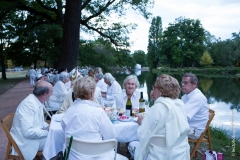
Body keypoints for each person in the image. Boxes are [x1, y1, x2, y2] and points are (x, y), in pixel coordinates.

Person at [128, 74, 190, 160]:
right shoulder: (180, 104)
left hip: (157, 156)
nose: (153, 89)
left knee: (131, 144)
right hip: (178, 155)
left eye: (154, 87)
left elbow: (143, 136)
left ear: (160, 90)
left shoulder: (157, 108)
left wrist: (141, 123)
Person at [61, 76, 115, 159]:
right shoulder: (99, 113)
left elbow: (65, 132)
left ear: (75, 94)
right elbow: (110, 136)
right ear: (92, 93)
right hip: (97, 157)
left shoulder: (68, 112)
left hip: (74, 158)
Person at [10, 81, 52, 159]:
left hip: (33, 137)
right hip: (26, 141)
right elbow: (27, 132)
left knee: (57, 138)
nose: (51, 95)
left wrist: (49, 127)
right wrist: (47, 132)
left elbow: (39, 122)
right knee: (57, 142)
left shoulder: (36, 101)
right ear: (44, 94)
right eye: (51, 92)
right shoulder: (28, 105)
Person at [181, 73, 209, 139]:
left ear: (194, 84)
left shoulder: (197, 98)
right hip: (187, 125)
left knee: (168, 128)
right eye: (182, 82)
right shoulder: (185, 96)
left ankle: (170, 148)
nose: (182, 85)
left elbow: (183, 116)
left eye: (185, 83)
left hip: (194, 131)